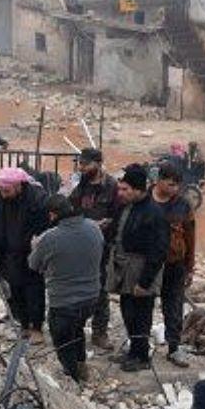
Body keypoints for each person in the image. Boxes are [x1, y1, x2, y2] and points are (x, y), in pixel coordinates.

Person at [28, 195, 104, 382]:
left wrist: (34, 246)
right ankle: (81, 366)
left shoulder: (49, 238)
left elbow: (33, 265)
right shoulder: (94, 228)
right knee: (77, 329)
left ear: (53, 215)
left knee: (63, 342)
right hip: (91, 297)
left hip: (63, 301)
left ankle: (72, 380)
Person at [106, 165, 169, 372]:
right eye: (120, 189)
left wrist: (145, 282)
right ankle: (134, 350)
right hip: (125, 267)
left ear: (139, 190)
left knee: (141, 314)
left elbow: (159, 251)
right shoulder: (126, 206)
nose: (120, 193)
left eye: (125, 189)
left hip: (141, 269)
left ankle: (141, 357)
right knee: (127, 310)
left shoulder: (154, 213)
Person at [0, 166, 49, 344]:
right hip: (7, 252)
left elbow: (44, 227)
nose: (3, 194)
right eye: (1, 190)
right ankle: (24, 325)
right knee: (15, 289)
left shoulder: (37, 198)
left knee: (34, 290)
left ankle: (37, 327)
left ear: (18, 186)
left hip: (31, 253)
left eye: (6, 191)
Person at [68, 147, 120, 351]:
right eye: (80, 164)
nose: (81, 168)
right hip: (80, 245)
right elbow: (70, 209)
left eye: (85, 164)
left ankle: (100, 332)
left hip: (102, 247)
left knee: (100, 290)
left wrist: (106, 224)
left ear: (98, 164)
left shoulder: (112, 186)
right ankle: (76, 329)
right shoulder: (81, 185)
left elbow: (119, 216)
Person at [153, 162, 197, 367]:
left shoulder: (183, 205)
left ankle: (174, 347)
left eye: (177, 185)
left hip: (174, 263)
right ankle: (138, 345)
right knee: (141, 305)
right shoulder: (145, 201)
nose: (174, 189)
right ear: (159, 180)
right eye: (170, 185)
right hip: (148, 264)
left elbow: (190, 237)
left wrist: (190, 267)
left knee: (174, 306)